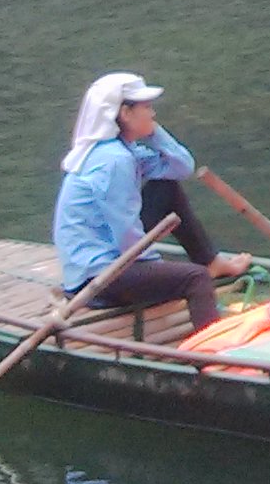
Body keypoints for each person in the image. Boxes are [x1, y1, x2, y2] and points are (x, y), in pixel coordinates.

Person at [50, 71, 253, 332]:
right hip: (96, 278)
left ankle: (211, 260)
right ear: (125, 113)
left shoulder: (123, 150)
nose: (153, 114)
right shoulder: (114, 161)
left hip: (111, 256)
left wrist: (154, 132)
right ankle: (212, 355)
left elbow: (182, 167)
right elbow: (126, 237)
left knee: (167, 188)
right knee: (195, 278)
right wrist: (159, 270)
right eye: (146, 108)